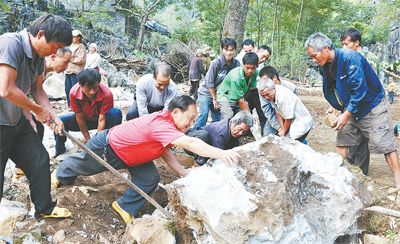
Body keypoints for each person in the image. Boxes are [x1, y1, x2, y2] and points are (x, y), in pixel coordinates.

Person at [51, 95, 240, 224]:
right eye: (190, 119)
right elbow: (190, 143)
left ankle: (124, 207)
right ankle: (59, 174)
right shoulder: (161, 124)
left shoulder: (169, 126)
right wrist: (221, 153)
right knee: (82, 165)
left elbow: (164, 150)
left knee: (149, 178)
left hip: (134, 156)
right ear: (175, 112)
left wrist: (182, 171)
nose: (191, 124)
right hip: (109, 148)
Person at [0, 14, 73, 219]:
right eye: (55, 47)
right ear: (40, 34)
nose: (54, 53)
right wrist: (37, 110)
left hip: (14, 120)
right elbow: (6, 89)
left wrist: (51, 114)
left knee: (39, 159)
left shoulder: (38, 58)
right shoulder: (10, 44)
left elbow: (38, 89)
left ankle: (44, 208)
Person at [305, 32, 400, 186]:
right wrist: (336, 108)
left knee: (384, 144)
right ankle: (334, 179)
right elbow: (333, 88)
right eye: (311, 57)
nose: (313, 59)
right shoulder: (325, 66)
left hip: (372, 105)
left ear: (326, 48)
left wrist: (346, 113)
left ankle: (398, 182)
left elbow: (359, 89)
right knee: (343, 140)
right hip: (351, 106)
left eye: (314, 55)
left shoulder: (350, 58)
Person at [13, 47, 73, 179]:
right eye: (65, 62)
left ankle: (21, 167)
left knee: (38, 127)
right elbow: (20, 92)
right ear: (52, 56)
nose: (67, 66)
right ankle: (21, 166)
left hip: (20, 103)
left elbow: (37, 91)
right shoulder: (36, 66)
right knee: (31, 129)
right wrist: (29, 117)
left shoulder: (43, 70)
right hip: (9, 107)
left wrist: (54, 117)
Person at [54, 68, 122, 157]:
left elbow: (102, 119)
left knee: (115, 113)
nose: (92, 92)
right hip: (85, 120)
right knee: (60, 121)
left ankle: (111, 146)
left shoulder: (106, 93)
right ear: (80, 85)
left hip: (102, 121)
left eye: (95, 88)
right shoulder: (74, 93)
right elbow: (79, 118)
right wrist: (88, 140)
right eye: (88, 88)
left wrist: (96, 143)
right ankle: (60, 151)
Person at [194, 38, 240, 129]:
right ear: (222, 50)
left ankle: (213, 135)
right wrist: (214, 99)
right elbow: (209, 83)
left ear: (235, 50)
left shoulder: (236, 64)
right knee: (204, 114)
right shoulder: (216, 63)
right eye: (226, 50)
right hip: (206, 93)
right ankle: (195, 133)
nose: (229, 53)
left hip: (220, 94)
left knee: (217, 118)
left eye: (231, 50)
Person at [186, 111, 253, 166]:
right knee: (203, 136)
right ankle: (198, 164)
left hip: (211, 145)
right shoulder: (221, 131)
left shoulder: (232, 129)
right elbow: (218, 155)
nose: (241, 133)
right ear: (234, 122)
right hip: (191, 142)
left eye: (244, 131)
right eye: (239, 129)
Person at [217, 52, 259, 119]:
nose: (250, 71)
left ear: (257, 66)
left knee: (242, 117)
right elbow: (240, 100)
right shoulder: (236, 77)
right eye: (247, 67)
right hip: (225, 97)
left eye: (253, 68)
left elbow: (250, 87)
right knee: (228, 115)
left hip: (239, 98)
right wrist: (247, 113)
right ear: (242, 65)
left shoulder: (256, 73)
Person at [65, 29, 86, 107]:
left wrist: (70, 59)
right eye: (73, 36)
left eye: (75, 36)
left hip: (76, 71)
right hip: (68, 70)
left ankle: (76, 106)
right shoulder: (70, 46)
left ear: (79, 37)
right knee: (67, 89)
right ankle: (69, 105)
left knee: (76, 90)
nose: (73, 38)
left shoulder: (81, 47)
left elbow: (81, 59)